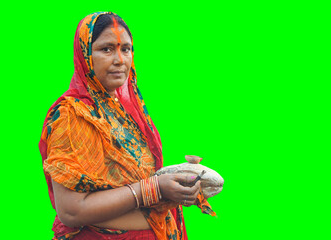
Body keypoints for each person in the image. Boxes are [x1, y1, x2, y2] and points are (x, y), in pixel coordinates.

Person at [39, 12, 215, 240]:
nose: (120, 60)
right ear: (84, 55)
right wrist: (155, 189)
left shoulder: (127, 111)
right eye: (106, 49)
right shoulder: (72, 115)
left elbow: (133, 180)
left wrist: (177, 185)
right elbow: (71, 211)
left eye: (126, 49)